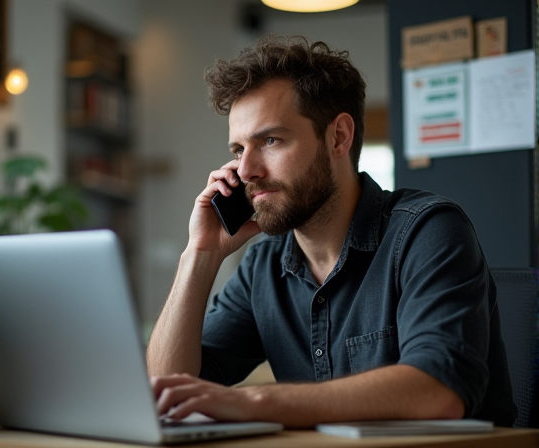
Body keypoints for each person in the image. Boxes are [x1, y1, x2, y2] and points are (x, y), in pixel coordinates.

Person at [146, 35, 516, 428]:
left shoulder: (427, 231)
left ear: (338, 136)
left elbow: (440, 389)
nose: (246, 170)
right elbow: (169, 391)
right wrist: (199, 255)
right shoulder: (263, 266)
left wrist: (255, 402)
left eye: (270, 140)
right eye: (239, 150)